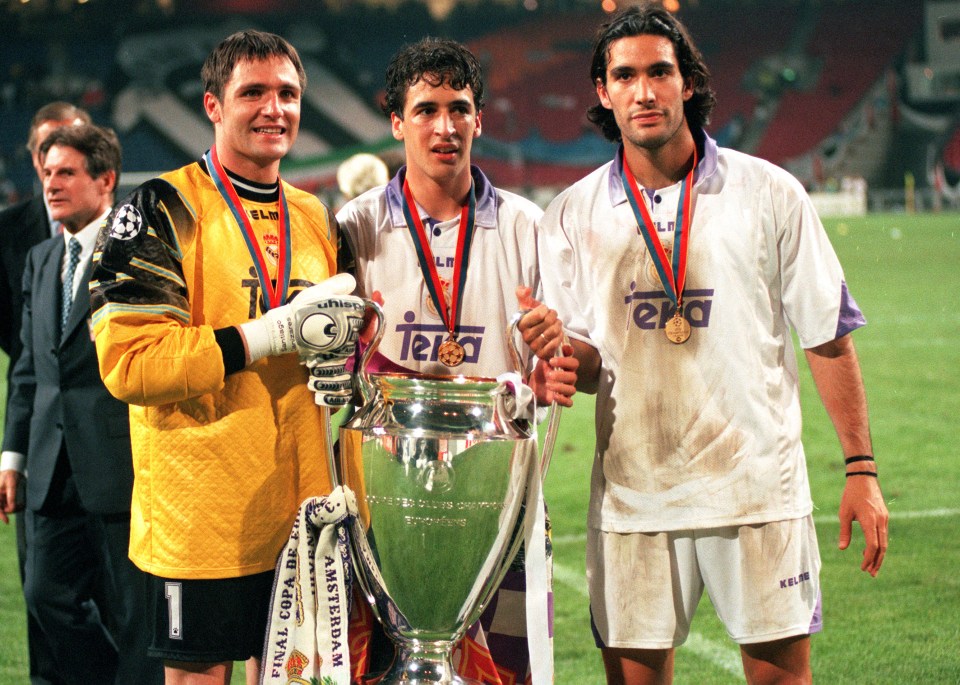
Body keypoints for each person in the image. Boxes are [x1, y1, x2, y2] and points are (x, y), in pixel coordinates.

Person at [536, 5, 889, 684]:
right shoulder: (570, 215)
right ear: (602, 92)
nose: (645, 90)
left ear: (688, 81)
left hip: (757, 490)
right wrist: (558, 355)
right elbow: (584, 363)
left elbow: (826, 335)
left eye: (660, 71)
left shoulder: (769, 192)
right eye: (625, 75)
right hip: (634, 497)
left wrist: (862, 469)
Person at [88, 30, 363, 685]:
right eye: (254, 93)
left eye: (288, 94)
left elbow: (340, 341)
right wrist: (262, 336)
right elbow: (131, 363)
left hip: (300, 510)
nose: (275, 108)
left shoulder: (316, 216)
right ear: (213, 105)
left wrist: (347, 353)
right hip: (199, 517)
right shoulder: (160, 209)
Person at [336, 37, 579, 684]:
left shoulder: (528, 225)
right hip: (387, 502)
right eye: (425, 110)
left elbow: (558, 364)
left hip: (500, 498)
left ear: (480, 119)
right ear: (397, 121)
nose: (444, 127)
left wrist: (554, 356)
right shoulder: (353, 229)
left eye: (459, 108)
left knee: (509, 671)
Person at [1, 123, 163, 684]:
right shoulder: (43, 258)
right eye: (46, 173)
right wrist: (12, 457)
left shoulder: (140, 253)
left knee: (135, 613)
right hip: (50, 464)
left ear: (106, 180)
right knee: (45, 594)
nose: (50, 184)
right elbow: (27, 370)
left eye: (66, 172)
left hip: (121, 463)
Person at [0, 100, 91, 685]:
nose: (53, 166)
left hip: (106, 445)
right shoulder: (11, 233)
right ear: (33, 157)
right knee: (44, 595)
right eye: (45, 152)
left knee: (114, 596)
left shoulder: (126, 229)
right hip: (40, 430)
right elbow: (24, 357)